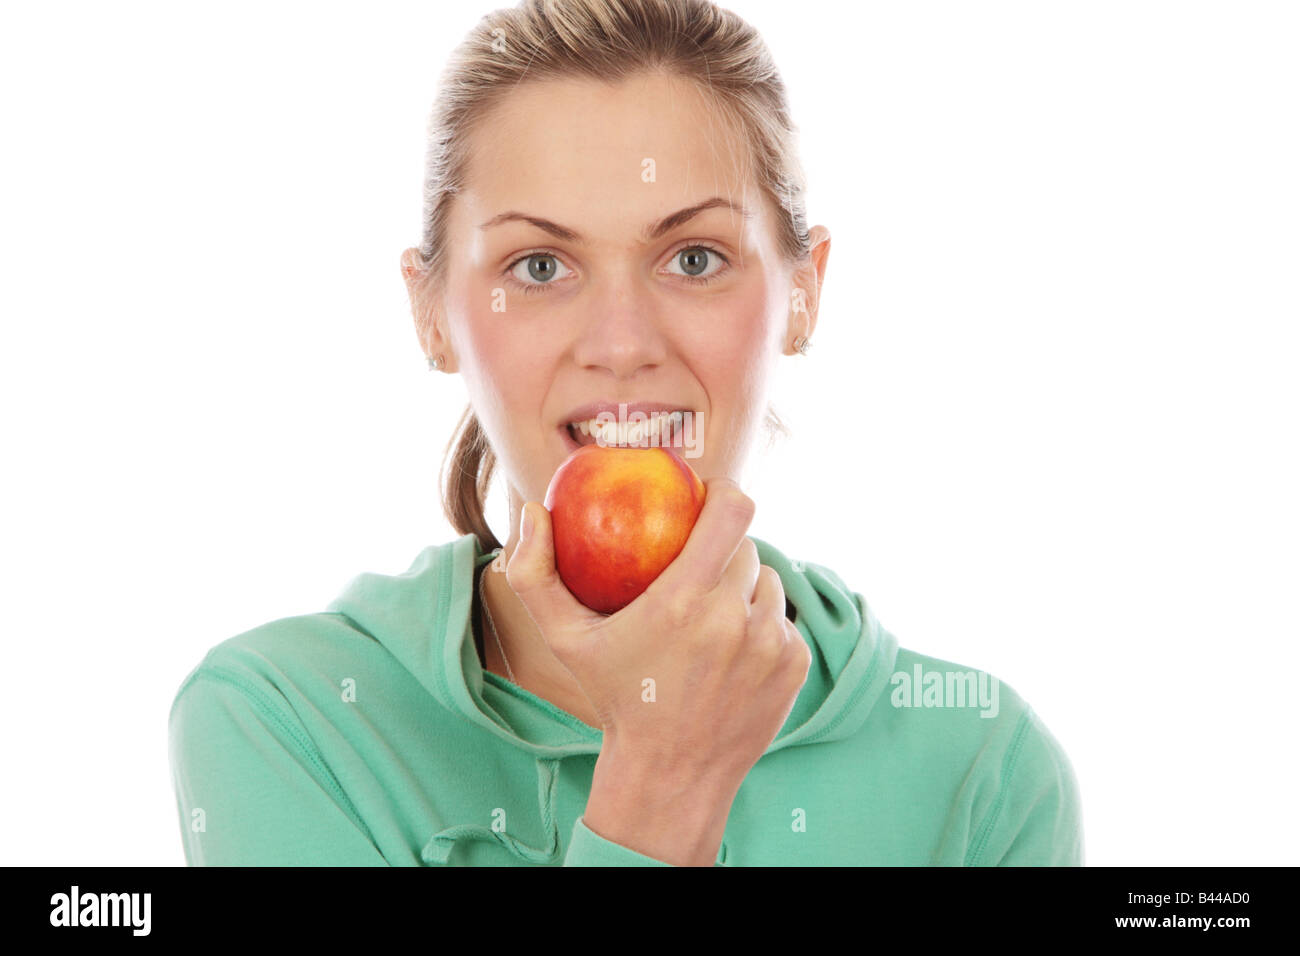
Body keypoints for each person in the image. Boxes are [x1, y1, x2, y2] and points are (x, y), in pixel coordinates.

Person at [168, 0, 1083, 866]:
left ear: (804, 293)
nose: (621, 345)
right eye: (538, 265)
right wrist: (659, 784)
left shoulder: (984, 770)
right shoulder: (284, 720)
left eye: (694, 259)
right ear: (432, 314)